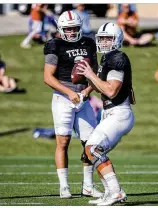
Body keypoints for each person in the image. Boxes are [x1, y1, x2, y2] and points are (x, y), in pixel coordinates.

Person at [43, 10, 102, 199]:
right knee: (63, 142)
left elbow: (96, 73)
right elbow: (47, 77)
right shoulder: (54, 45)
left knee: (91, 143)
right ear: (61, 28)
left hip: (83, 98)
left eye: (75, 28)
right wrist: (69, 92)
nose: (71, 32)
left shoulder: (88, 42)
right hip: (63, 98)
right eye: (68, 28)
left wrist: (86, 92)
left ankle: (88, 186)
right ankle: (64, 186)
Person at [76, 22, 135, 206]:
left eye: (108, 38)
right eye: (102, 38)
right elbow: (102, 83)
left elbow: (111, 91)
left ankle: (115, 192)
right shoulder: (108, 58)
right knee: (92, 153)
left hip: (119, 113)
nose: (104, 42)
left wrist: (89, 73)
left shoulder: (116, 57)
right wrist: (85, 93)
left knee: (93, 149)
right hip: (111, 113)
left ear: (117, 39)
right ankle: (110, 191)